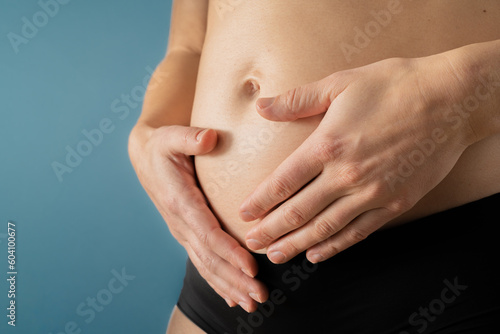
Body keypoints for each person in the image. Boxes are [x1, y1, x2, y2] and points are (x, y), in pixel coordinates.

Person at [128, 1, 500, 333]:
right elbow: (189, 44)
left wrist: (461, 95)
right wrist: (150, 130)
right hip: (235, 281)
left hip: (453, 258)